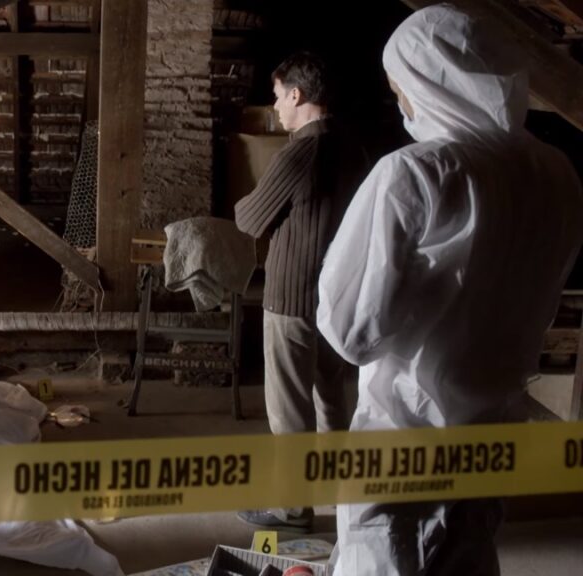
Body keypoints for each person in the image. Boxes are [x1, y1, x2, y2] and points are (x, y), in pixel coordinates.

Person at [318, 6, 583, 575]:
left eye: (401, 87)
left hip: (404, 443)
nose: (401, 103)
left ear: (429, 81)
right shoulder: (556, 172)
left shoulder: (415, 172)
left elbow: (351, 332)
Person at [234, 52, 368, 532]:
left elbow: (249, 218)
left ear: (297, 94)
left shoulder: (299, 152)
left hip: (292, 297)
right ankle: (342, 494)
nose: (275, 107)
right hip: (338, 296)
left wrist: (254, 204)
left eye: (277, 96)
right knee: (333, 397)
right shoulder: (352, 147)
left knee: (290, 410)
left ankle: (292, 511)